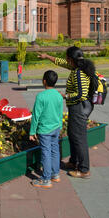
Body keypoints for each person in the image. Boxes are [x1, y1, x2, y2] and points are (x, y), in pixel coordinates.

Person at [38, 46, 97, 179]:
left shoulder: (79, 73)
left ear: (71, 59)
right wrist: (47, 56)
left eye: (67, 58)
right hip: (76, 107)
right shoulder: (77, 67)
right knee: (72, 134)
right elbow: (61, 62)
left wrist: (66, 96)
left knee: (79, 138)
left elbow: (81, 95)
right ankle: (73, 161)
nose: (65, 60)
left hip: (79, 107)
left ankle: (83, 169)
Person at [29, 70, 63, 189]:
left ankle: (46, 179)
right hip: (56, 128)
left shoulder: (41, 96)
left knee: (46, 153)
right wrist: (60, 126)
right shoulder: (59, 95)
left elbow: (36, 116)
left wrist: (32, 131)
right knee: (55, 150)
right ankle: (56, 174)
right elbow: (60, 112)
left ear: (44, 81)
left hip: (45, 130)